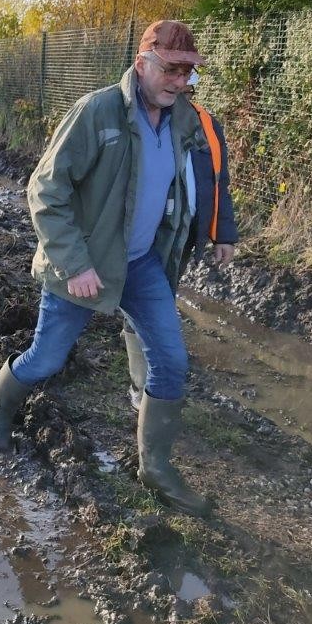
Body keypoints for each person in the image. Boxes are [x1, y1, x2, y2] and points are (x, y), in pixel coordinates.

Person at [0, 20, 213, 516]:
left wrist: (218, 229)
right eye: (171, 69)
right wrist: (74, 263)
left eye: (187, 73)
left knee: (171, 362)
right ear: (142, 63)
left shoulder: (183, 118)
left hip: (142, 263)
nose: (180, 81)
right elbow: (45, 190)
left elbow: (206, 174)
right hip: (85, 265)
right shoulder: (99, 111)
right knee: (45, 359)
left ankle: (155, 467)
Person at [123, 70, 238, 410]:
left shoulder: (206, 124)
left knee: (162, 298)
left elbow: (218, 181)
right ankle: (140, 383)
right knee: (142, 304)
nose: (180, 87)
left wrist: (222, 233)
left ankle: (155, 373)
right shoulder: (145, 119)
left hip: (184, 233)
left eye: (187, 81)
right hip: (153, 228)